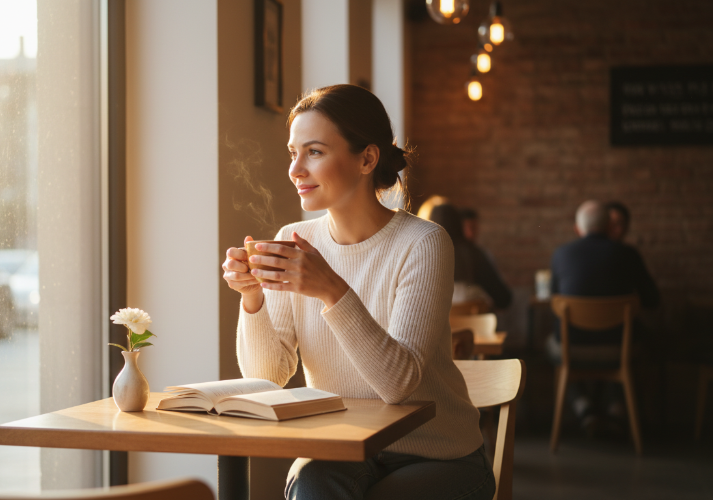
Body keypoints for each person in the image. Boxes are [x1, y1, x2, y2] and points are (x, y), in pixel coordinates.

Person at [221, 85, 493, 500]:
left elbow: (398, 386)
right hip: (338, 449)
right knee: (312, 490)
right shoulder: (292, 241)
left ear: (367, 158)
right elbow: (266, 379)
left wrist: (330, 289)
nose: (295, 169)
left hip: (436, 453)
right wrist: (252, 298)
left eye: (313, 152)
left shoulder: (424, 242)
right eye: (292, 153)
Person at [549, 200, 659, 432]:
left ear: (578, 229)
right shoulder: (628, 254)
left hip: (573, 348)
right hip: (619, 348)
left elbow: (554, 300)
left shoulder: (561, 254)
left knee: (552, 342)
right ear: (609, 226)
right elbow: (653, 300)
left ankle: (583, 407)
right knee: (638, 339)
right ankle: (617, 409)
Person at [429, 204, 512, 310]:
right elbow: (504, 298)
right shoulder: (474, 254)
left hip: (437, 324)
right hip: (473, 325)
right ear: (459, 225)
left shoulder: (425, 256)